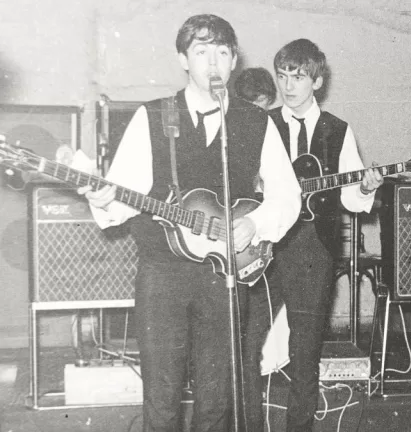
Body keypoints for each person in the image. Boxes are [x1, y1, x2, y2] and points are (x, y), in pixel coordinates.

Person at [77, 14, 301, 432]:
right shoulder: (152, 116)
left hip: (225, 276)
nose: (213, 63)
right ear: (183, 59)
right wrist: (101, 198)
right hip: (163, 275)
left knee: (217, 398)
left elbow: (287, 195)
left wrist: (255, 223)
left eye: (222, 52)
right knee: (162, 395)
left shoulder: (256, 121)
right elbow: (119, 201)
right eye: (201, 52)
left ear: (234, 60)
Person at [265, 38, 383, 432]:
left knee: (305, 348)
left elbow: (350, 197)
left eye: (297, 77)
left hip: (313, 246)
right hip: (264, 242)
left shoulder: (338, 131)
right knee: (248, 342)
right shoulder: (261, 124)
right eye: (282, 76)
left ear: (317, 81)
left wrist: (365, 186)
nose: (287, 86)